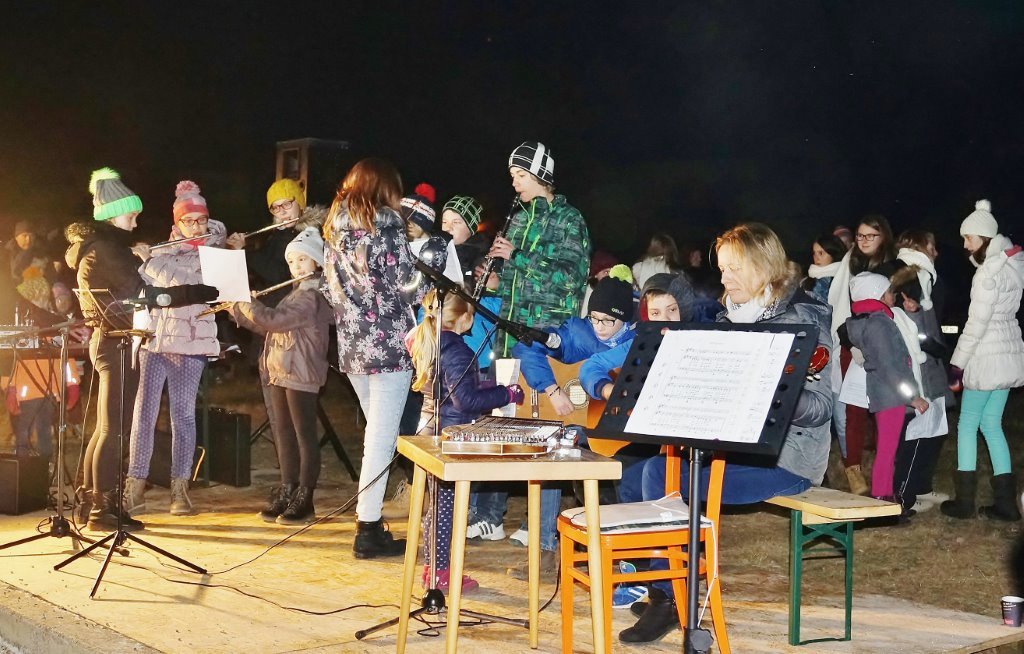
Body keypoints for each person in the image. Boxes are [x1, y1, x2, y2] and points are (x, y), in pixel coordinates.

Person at [623, 223, 833, 643]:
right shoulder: (729, 318)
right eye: (722, 269)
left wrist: (781, 395)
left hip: (785, 459)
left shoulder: (803, 319)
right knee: (639, 476)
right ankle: (668, 584)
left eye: (734, 268)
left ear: (764, 266)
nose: (725, 278)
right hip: (731, 449)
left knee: (661, 478)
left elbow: (822, 408)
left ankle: (670, 598)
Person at [65, 168, 217, 531]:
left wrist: (135, 259)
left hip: (110, 340)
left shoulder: (100, 248)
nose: (135, 223)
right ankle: (104, 510)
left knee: (106, 427)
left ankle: (91, 501)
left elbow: (123, 287)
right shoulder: (106, 249)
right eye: (131, 216)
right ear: (114, 215)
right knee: (114, 429)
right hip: (115, 341)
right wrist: (193, 292)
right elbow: (144, 295)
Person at [468, 267, 636, 580]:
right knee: (549, 456)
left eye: (607, 321)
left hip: (615, 432)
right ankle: (544, 551)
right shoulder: (579, 333)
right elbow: (526, 347)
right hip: (574, 424)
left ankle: (619, 553)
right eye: (594, 318)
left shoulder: (635, 343)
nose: (599, 327)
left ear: (624, 320)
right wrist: (553, 390)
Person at [322, 158, 430, 558]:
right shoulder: (388, 230)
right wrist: (429, 262)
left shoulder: (334, 233)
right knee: (381, 441)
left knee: (377, 436)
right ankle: (367, 528)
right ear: (385, 188)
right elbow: (410, 289)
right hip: (388, 349)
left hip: (352, 348)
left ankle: (373, 522)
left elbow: (327, 289)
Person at [121, 181, 226, 517]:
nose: (195, 227)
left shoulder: (216, 252)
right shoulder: (163, 250)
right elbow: (151, 293)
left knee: (182, 415)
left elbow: (186, 285)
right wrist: (145, 260)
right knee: (143, 415)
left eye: (201, 220)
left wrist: (149, 261)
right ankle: (135, 485)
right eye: (188, 221)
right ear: (177, 223)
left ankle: (180, 488)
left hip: (190, 343)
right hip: (154, 342)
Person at [408, 289, 522, 593]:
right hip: (451, 438)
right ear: (465, 318)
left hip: (432, 431)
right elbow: (466, 400)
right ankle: (442, 574)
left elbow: (453, 388)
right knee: (448, 511)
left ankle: (432, 570)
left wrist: (489, 386)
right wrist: (506, 394)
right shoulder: (458, 350)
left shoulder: (430, 341)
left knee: (437, 509)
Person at [227, 227, 333, 525]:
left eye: (302, 260)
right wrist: (238, 312)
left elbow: (273, 320)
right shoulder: (295, 294)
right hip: (280, 370)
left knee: (303, 435)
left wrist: (247, 302)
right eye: (291, 262)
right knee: (284, 433)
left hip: (301, 371)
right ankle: (288, 489)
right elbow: (269, 328)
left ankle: (305, 497)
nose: (296, 267)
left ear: (316, 262)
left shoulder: (312, 296)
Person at [941, 200, 1024, 521]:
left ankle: (965, 501)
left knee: (967, 424)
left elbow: (976, 325)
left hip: (986, 355)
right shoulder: (1012, 266)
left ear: (985, 238)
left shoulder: (987, 273)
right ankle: (1006, 504)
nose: (965, 245)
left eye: (969, 238)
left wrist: (957, 364)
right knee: (991, 424)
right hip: (1008, 353)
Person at [488, 141, 591, 357]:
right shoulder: (518, 220)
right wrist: (496, 284)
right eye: (512, 176)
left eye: (521, 175)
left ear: (541, 176)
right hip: (507, 337)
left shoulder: (569, 219)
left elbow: (571, 279)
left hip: (544, 338)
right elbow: (518, 283)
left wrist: (516, 255)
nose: (514, 182)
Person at [838, 272, 929, 508]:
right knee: (887, 449)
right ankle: (881, 495)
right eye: (889, 292)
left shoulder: (869, 321)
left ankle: (886, 495)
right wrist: (912, 396)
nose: (893, 295)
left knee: (887, 447)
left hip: (884, 393)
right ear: (876, 295)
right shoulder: (879, 324)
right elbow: (890, 366)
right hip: (890, 395)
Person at [828, 214, 902, 495]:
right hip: (853, 341)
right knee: (854, 409)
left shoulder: (895, 268)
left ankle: (885, 473)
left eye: (871, 235)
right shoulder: (851, 263)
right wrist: (850, 340)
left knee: (885, 408)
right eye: (860, 235)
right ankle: (854, 470)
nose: (864, 241)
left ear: (884, 237)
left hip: (884, 344)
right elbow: (840, 304)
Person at [440, 195, 490, 287]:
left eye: (456, 222)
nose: (448, 228)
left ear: (471, 229)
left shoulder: (479, 258)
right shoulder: (436, 249)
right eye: (444, 222)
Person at [803, 233, 846, 304]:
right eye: (814, 253)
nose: (816, 258)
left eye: (821, 253)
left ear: (833, 254)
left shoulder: (843, 278)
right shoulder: (806, 279)